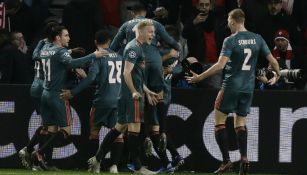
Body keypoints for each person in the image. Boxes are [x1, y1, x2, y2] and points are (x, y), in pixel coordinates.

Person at [186, 9, 280, 175]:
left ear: (235, 21)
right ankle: (244, 158)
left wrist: (199, 77)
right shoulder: (257, 38)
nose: (228, 24)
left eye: (229, 21)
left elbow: (220, 65)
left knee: (219, 121)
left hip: (230, 86)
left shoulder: (230, 40)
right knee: (240, 123)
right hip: (248, 89)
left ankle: (226, 162)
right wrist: (277, 75)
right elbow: (272, 61)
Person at [30, 25, 107, 170]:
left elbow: (54, 60)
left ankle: (40, 162)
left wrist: (72, 53)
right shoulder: (60, 51)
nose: (69, 38)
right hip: (56, 94)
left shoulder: (45, 50)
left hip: (45, 94)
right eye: (66, 35)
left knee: (50, 130)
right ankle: (39, 153)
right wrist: (93, 55)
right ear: (58, 38)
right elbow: (71, 63)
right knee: (66, 130)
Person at [87, 21, 158, 175]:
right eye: (150, 32)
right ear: (141, 32)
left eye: (153, 32)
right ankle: (138, 168)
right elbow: (126, 72)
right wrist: (133, 91)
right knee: (134, 130)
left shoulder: (138, 47)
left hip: (131, 94)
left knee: (118, 128)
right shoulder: (133, 48)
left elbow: (135, 74)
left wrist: (146, 90)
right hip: (130, 96)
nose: (153, 35)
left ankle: (96, 159)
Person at [110, 2, 179, 152]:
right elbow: (170, 40)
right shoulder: (154, 24)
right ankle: (162, 132)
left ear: (132, 13)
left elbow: (113, 48)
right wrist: (177, 50)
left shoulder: (126, 26)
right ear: (146, 13)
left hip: (135, 63)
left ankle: (146, 136)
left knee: (140, 100)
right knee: (158, 96)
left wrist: (117, 59)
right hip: (155, 61)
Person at [60, 29, 124, 173]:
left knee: (94, 132)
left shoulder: (98, 57)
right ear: (109, 41)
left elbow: (91, 79)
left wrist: (73, 92)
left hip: (102, 100)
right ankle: (114, 166)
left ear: (95, 42)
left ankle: (96, 165)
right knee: (118, 134)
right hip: (118, 100)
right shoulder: (120, 57)